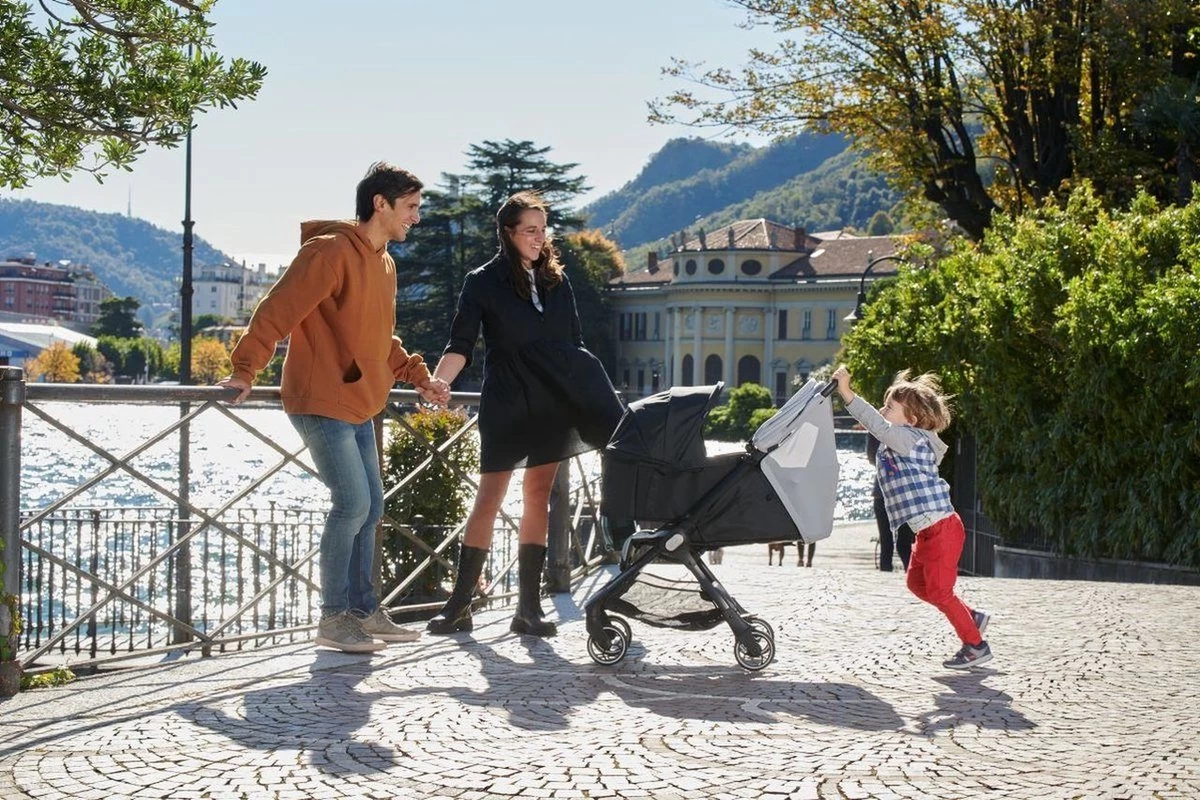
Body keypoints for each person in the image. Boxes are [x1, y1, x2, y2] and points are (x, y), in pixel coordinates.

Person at [218, 162, 451, 654]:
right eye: (411, 207)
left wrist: (419, 377)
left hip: (362, 403)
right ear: (380, 204)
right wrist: (245, 370)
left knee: (372, 507)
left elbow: (380, 338)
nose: (416, 217)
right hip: (320, 398)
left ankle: (363, 612)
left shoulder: (385, 263)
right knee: (351, 504)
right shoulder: (328, 251)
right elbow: (278, 310)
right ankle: (333, 618)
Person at [424, 191, 624, 638]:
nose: (539, 237)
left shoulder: (558, 282)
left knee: (538, 494)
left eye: (543, 229)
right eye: (530, 230)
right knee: (490, 497)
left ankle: (528, 609)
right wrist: (440, 382)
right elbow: (461, 344)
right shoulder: (482, 282)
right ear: (507, 233)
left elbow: (574, 344)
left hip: (553, 399)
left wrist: (590, 399)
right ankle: (459, 605)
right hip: (508, 401)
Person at [832, 366, 992, 669]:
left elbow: (877, 426)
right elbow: (880, 433)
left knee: (940, 592)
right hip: (928, 531)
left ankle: (975, 645)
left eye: (889, 407)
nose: (883, 411)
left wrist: (847, 392)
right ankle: (971, 617)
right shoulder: (900, 440)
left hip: (942, 529)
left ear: (912, 420)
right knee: (917, 585)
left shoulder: (910, 439)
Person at [866, 434, 913, 571]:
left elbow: (872, 457)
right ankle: (911, 573)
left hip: (886, 492)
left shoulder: (878, 432)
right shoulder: (909, 431)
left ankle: (906, 573)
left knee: (889, 543)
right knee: (902, 543)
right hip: (900, 493)